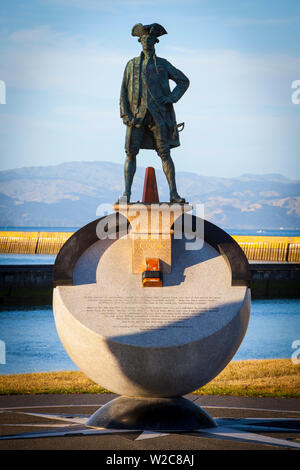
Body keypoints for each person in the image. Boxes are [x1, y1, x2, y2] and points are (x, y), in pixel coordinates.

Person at [119, 23, 190, 203]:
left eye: (150, 39)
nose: (146, 42)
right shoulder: (131, 65)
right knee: (130, 153)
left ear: (155, 42)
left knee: (165, 154)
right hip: (136, 116)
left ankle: (174, 194)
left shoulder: (164, 64)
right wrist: (125, 114)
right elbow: (124, 92)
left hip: (159, 116)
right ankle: (126, 194)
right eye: (144, 39)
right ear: (140, 41)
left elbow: (183, 81)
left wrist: (172, 98)